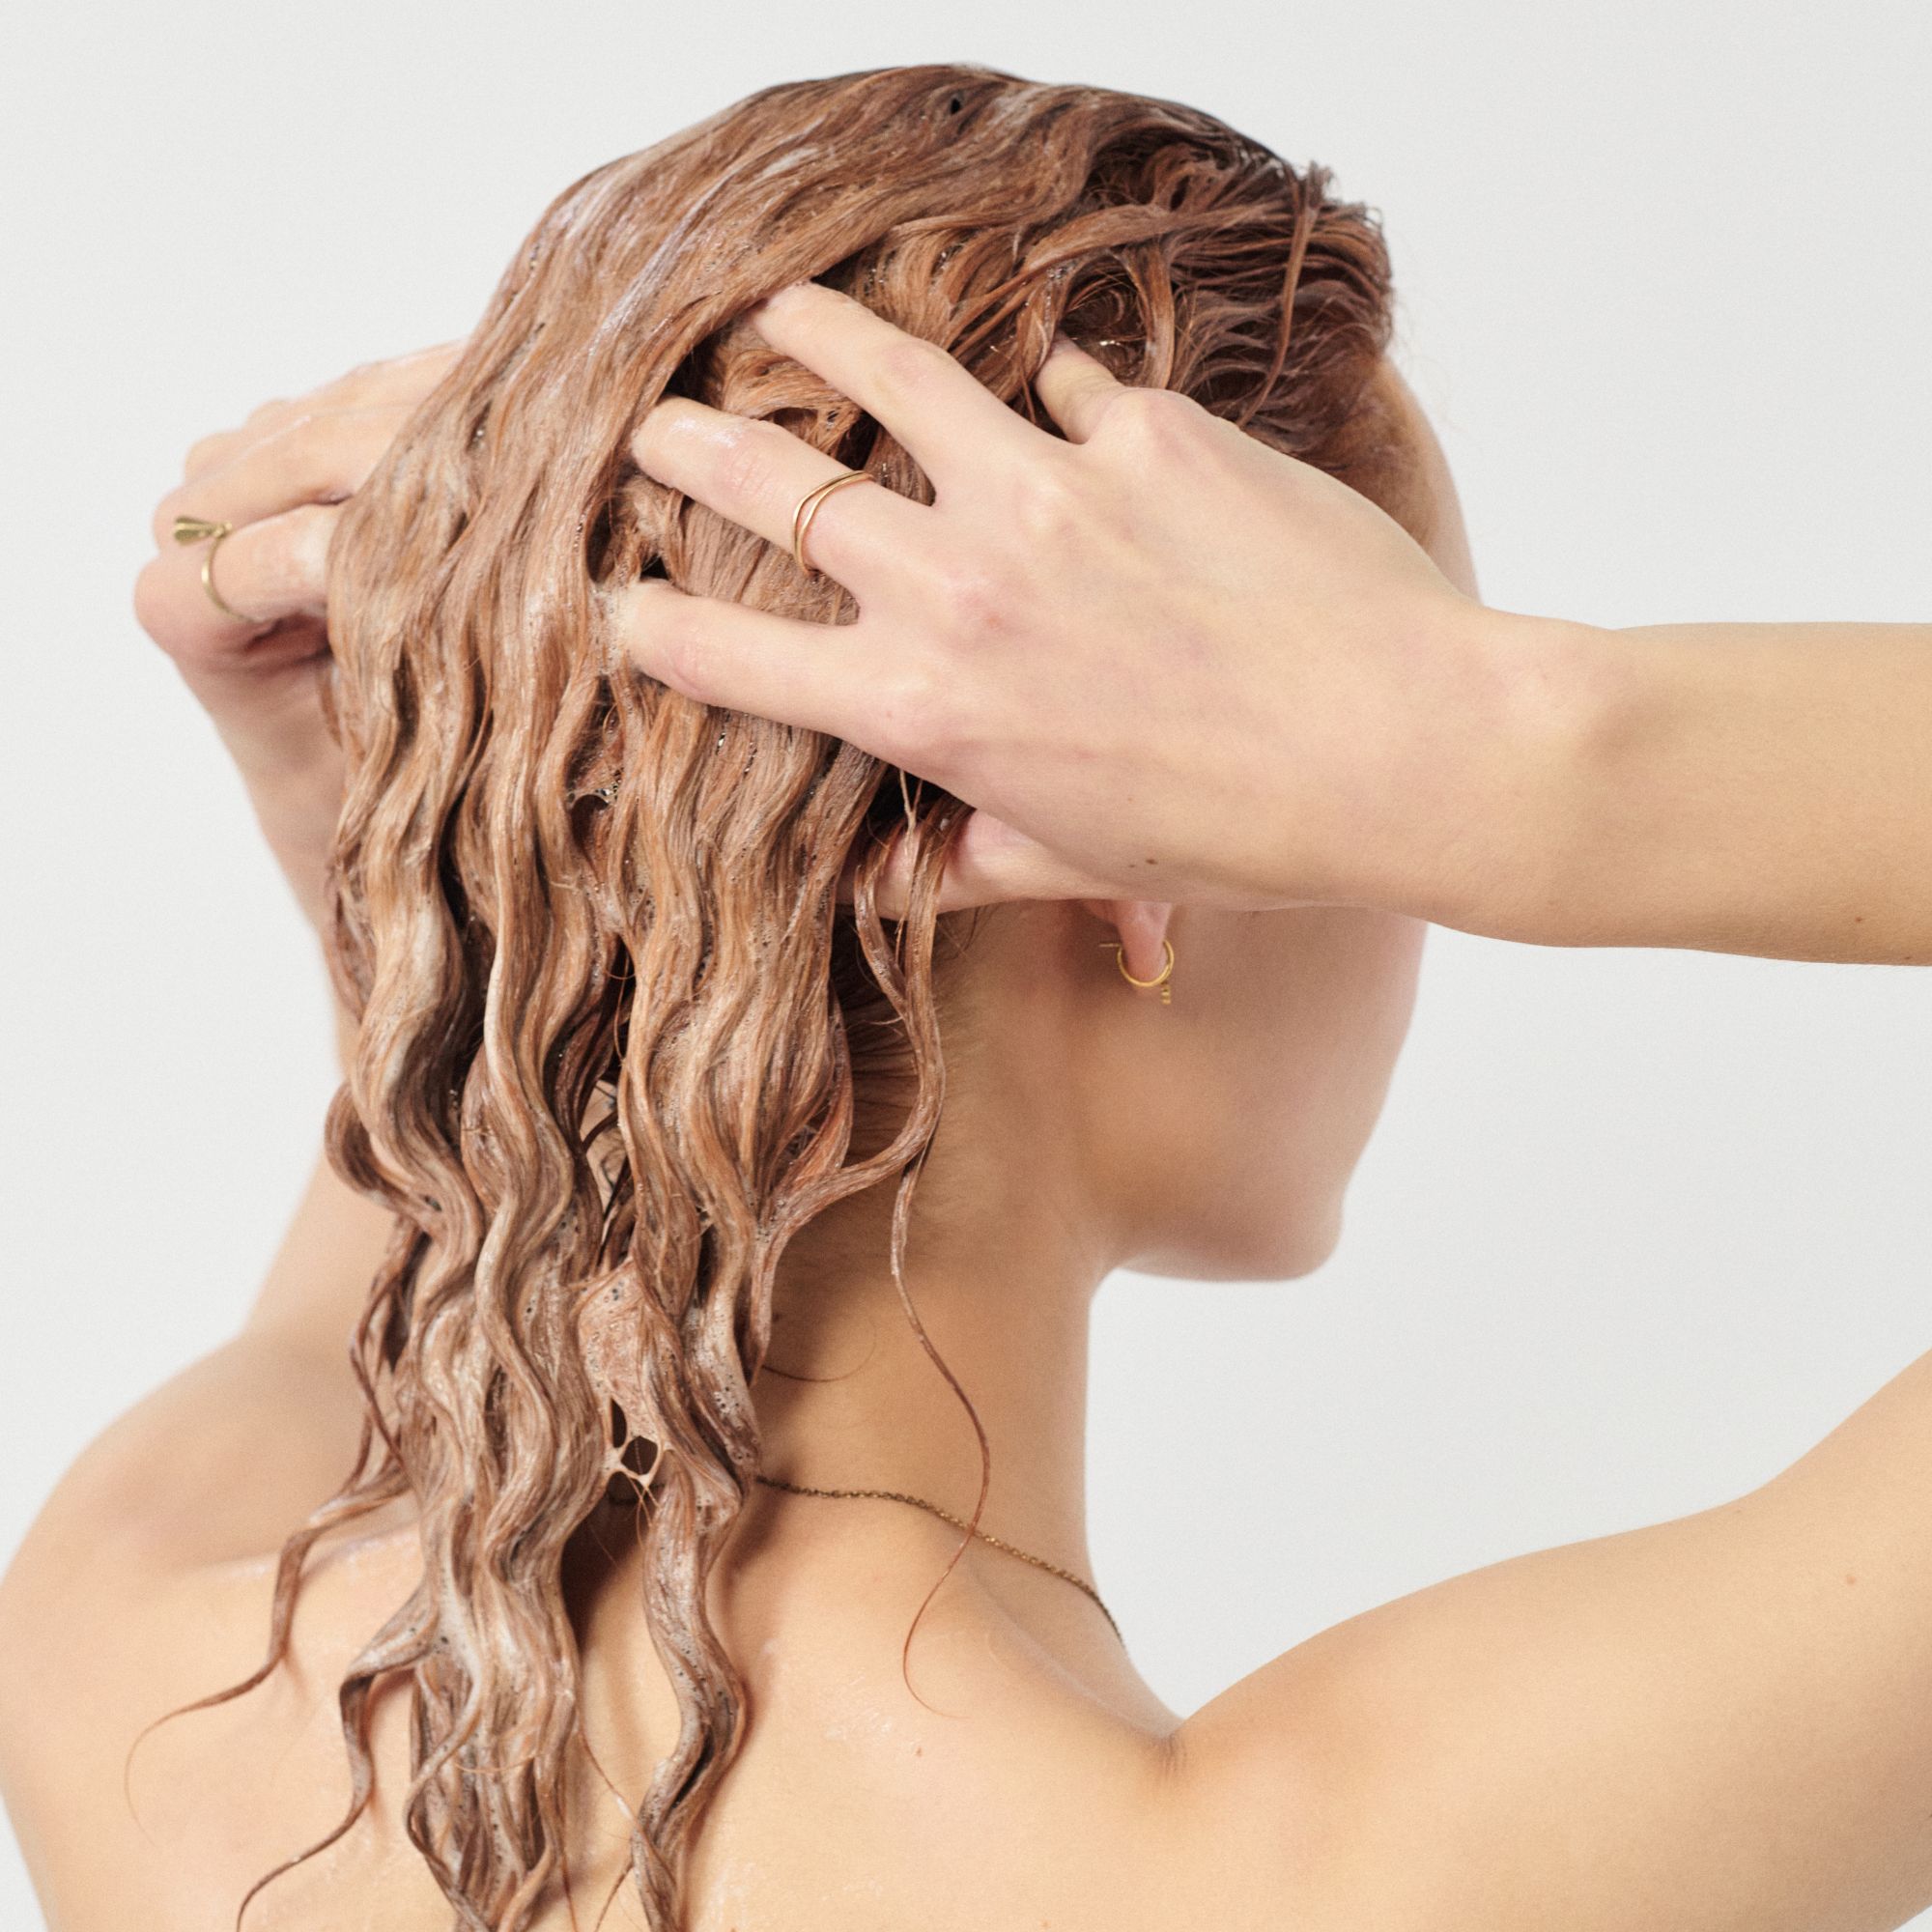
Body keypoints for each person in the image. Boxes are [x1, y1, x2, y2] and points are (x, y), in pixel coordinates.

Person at [1, 58, 1927, 1932]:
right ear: (1151, 866)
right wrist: (1530, 747)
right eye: (1380, 693)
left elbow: (421, 1212)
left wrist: (447, 848)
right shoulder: (1352, 1874)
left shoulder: (144, 1666)